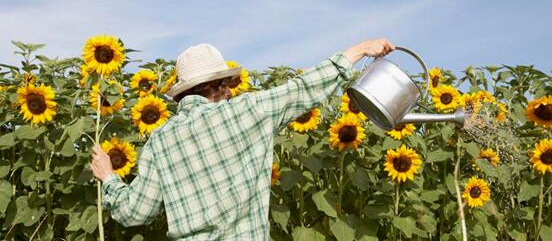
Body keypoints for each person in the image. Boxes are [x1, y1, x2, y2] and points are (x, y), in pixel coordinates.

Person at [90, 38, 395, 240]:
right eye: (228, 85)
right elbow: (303, 89)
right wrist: (360, 50)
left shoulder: (160, 140)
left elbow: (136, 212)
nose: (232, 91)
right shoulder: (246, 112)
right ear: (218, 86)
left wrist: (109, 178)